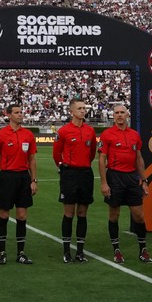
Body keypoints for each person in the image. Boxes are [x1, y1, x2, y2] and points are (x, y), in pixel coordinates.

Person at [99, 103, 152, 264]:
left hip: (132, 177)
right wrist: (104, 183)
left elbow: (139, 158)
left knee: (139, 215)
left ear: (127, 115)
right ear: (113, 116)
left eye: (122, 112)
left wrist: (144, 180)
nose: (120, 115)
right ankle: (117, 250)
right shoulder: (107, 134)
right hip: (114, 177)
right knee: (114, 215)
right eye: (117, 113)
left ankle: (143, 249)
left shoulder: (135, 135)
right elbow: (102, 159)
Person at [0, 104, 37, 265]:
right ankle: (2, 252)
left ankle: (21, 253)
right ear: (8, 115)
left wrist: (33, 180)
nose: (20, 114)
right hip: (7, 177)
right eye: (16, 112)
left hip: (24, 177)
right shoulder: (1, 134)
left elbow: (32, 159)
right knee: (4, 214)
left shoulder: (28, 134)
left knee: (22, 215)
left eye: (21, 111)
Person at [53, 98, 96, 263]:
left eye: (84, 108)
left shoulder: (90, 131)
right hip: (69, 174)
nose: (83, 111)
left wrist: (84, 164)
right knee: (69, 213)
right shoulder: (64, 131)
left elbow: (92, 152)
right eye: (79, 108)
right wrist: (64, 169)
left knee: (83, 213)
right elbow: (56, 154)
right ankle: (66, 251)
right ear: (71, 111)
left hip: (85, 173)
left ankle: (80, 251)